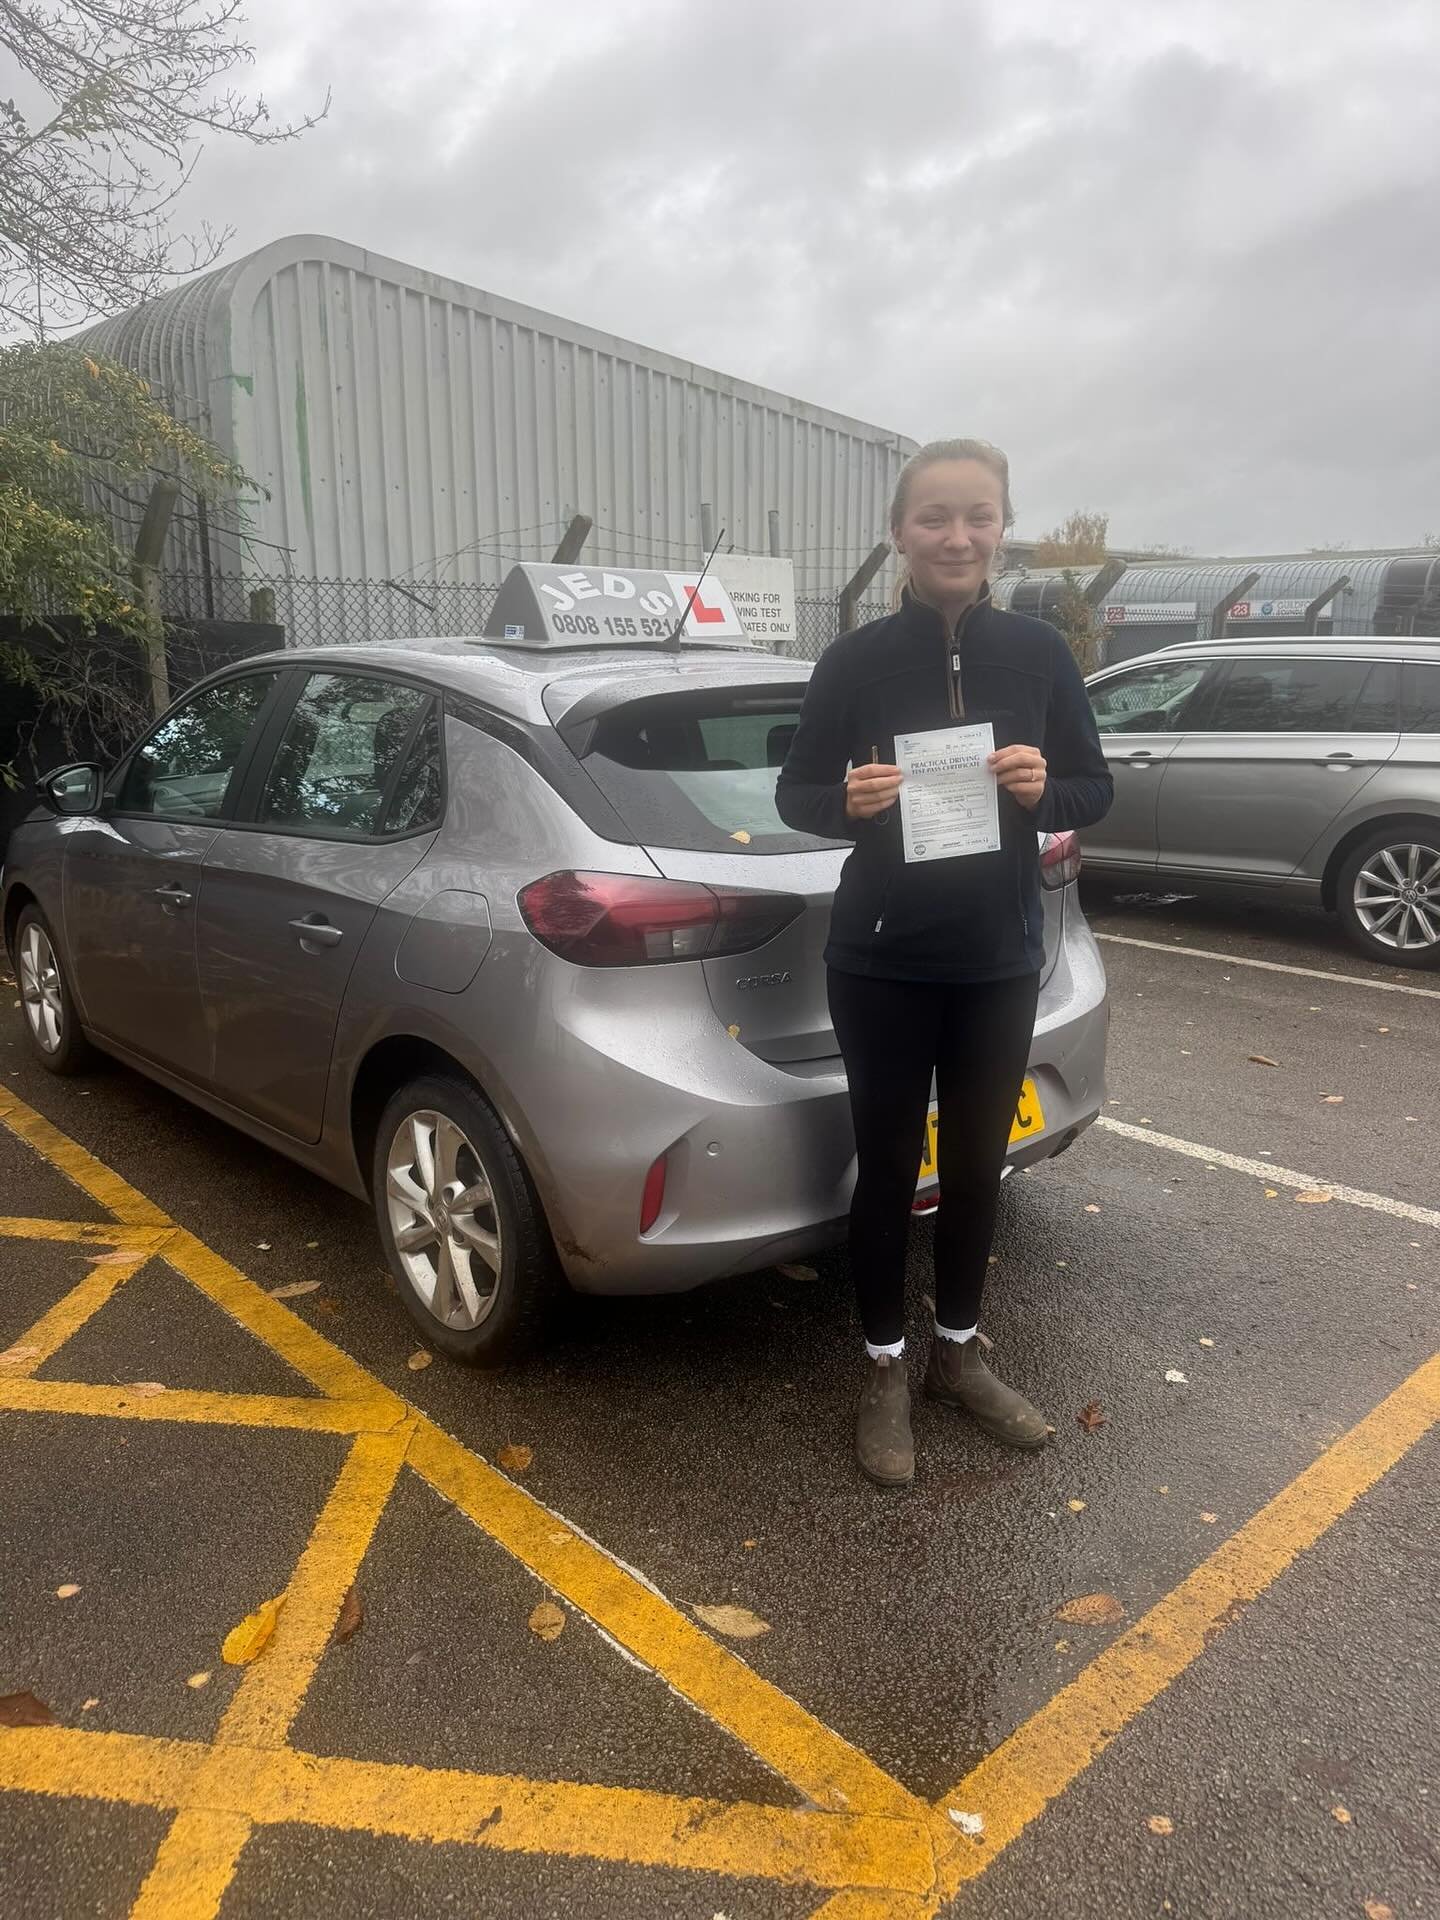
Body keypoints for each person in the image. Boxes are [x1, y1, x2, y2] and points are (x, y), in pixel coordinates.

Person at [775, 439, 1113, 1486]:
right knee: (888, 1171)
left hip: (997, 961)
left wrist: (1038, 791)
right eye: (934, 517)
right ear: (898, 534)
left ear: (1002, 525)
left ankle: (958, 1356)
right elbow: (795, 797)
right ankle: (884, 1366)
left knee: (976, 1169)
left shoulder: (1041, 656)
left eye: (978, 515)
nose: (957, 536)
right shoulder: (855, 662)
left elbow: (1089, 793)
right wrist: (849, 805)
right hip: (878, 964)